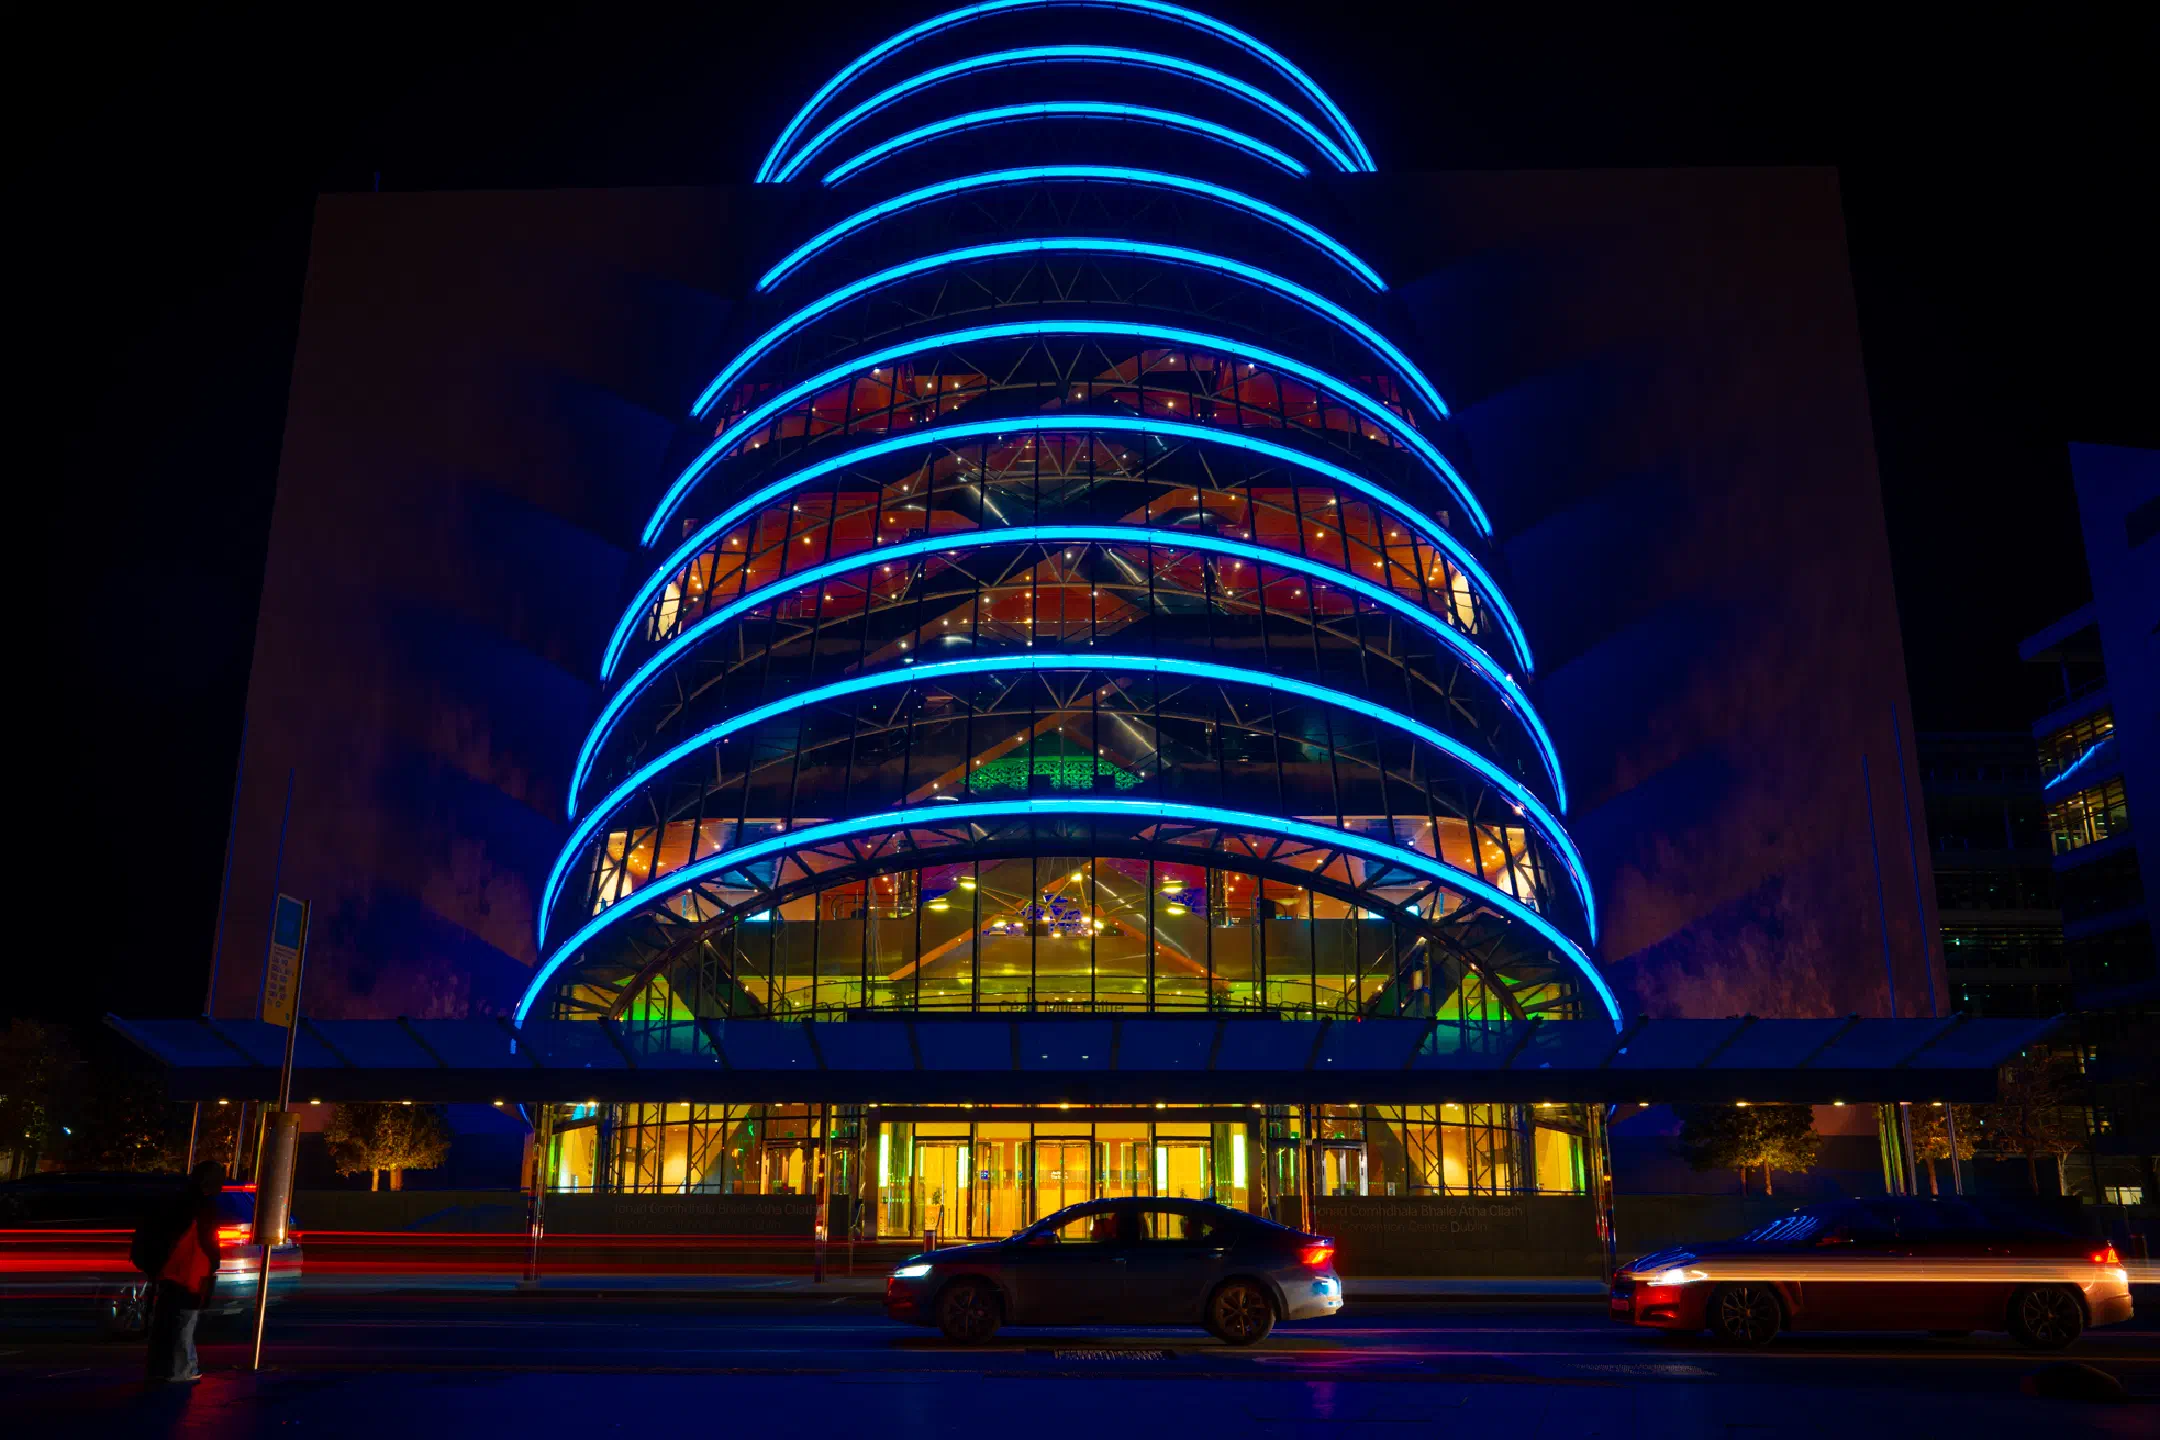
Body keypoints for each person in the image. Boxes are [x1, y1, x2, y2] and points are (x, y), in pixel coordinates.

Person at [144, 1162, 224, 1383]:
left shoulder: (177, 1200)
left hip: (170, 1271)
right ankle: (182, 1370)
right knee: (184, 1322)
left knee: (166, 1321)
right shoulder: (202, 1206)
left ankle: (161, 1368)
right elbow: (205, 1243)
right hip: (190, 1272)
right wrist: (214, 1263)